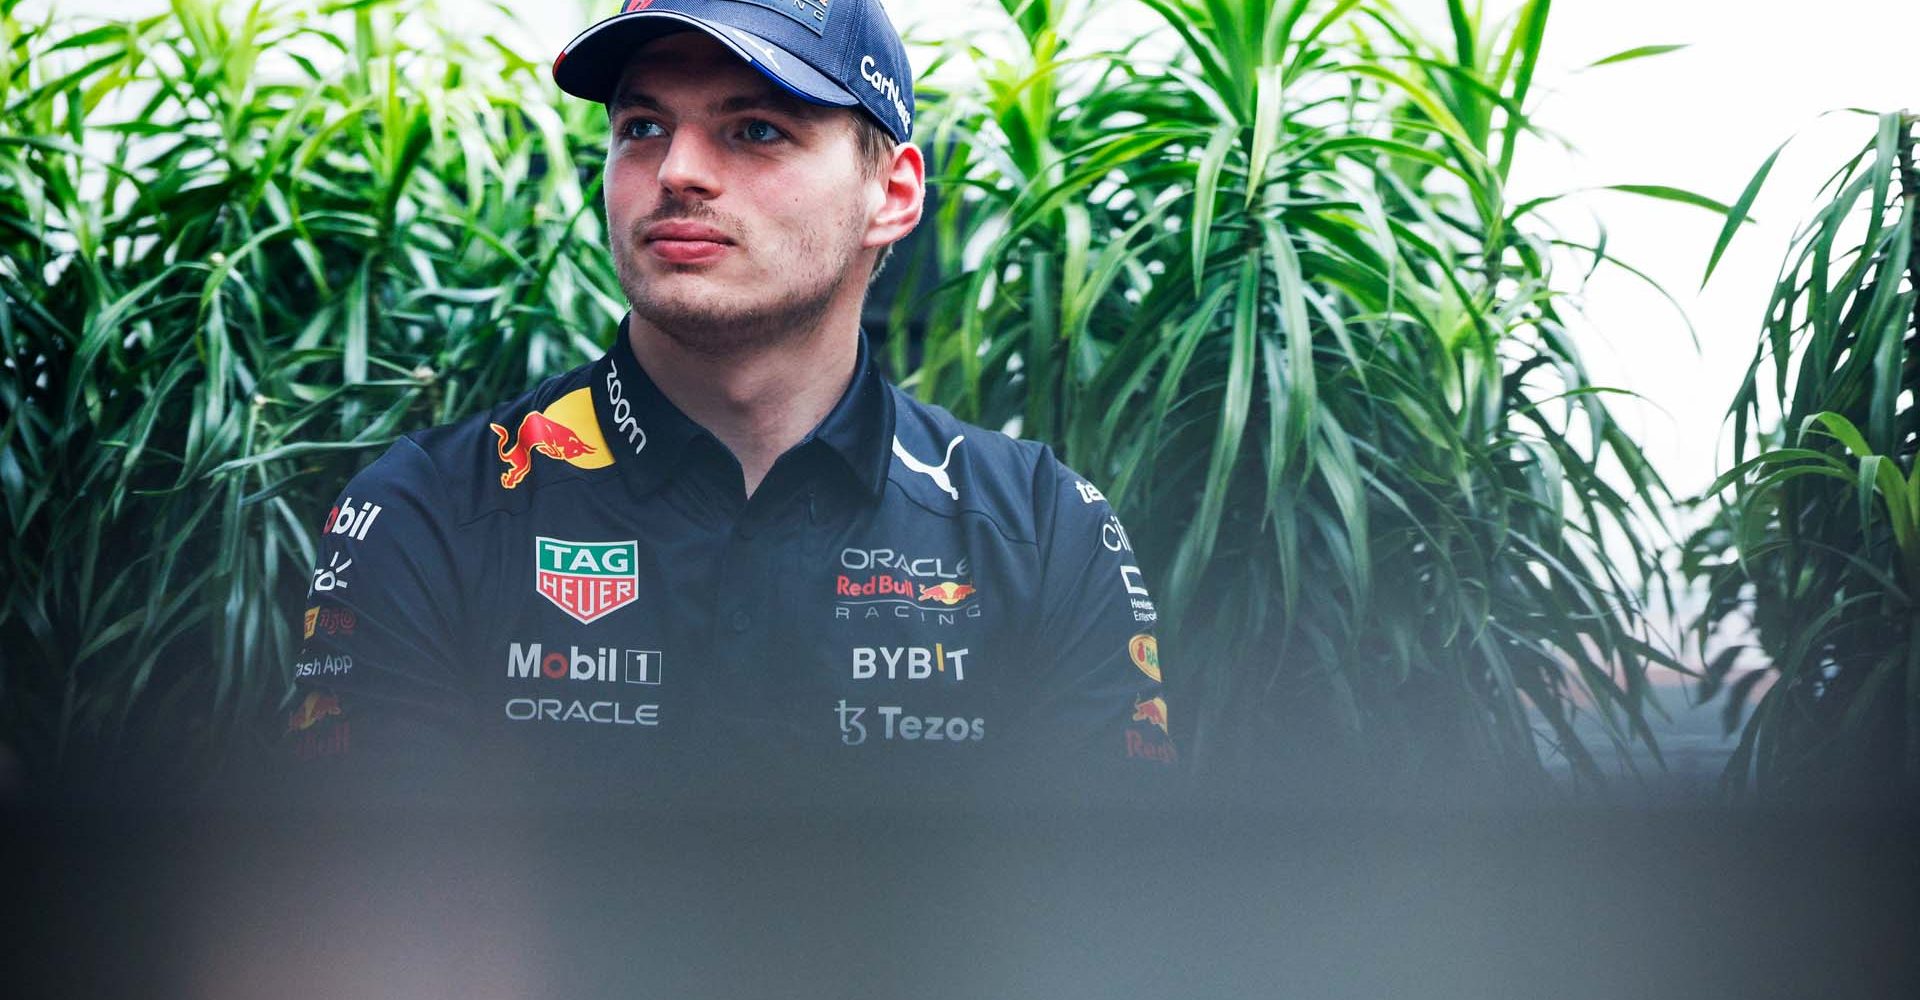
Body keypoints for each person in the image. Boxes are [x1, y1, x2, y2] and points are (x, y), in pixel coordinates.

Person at [281, 0, 1176, 799]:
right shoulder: (430, 510)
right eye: (641, 126)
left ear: (892, 193)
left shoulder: (1043, 528)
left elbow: (1105, 919)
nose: (678, 171)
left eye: (755, 130)